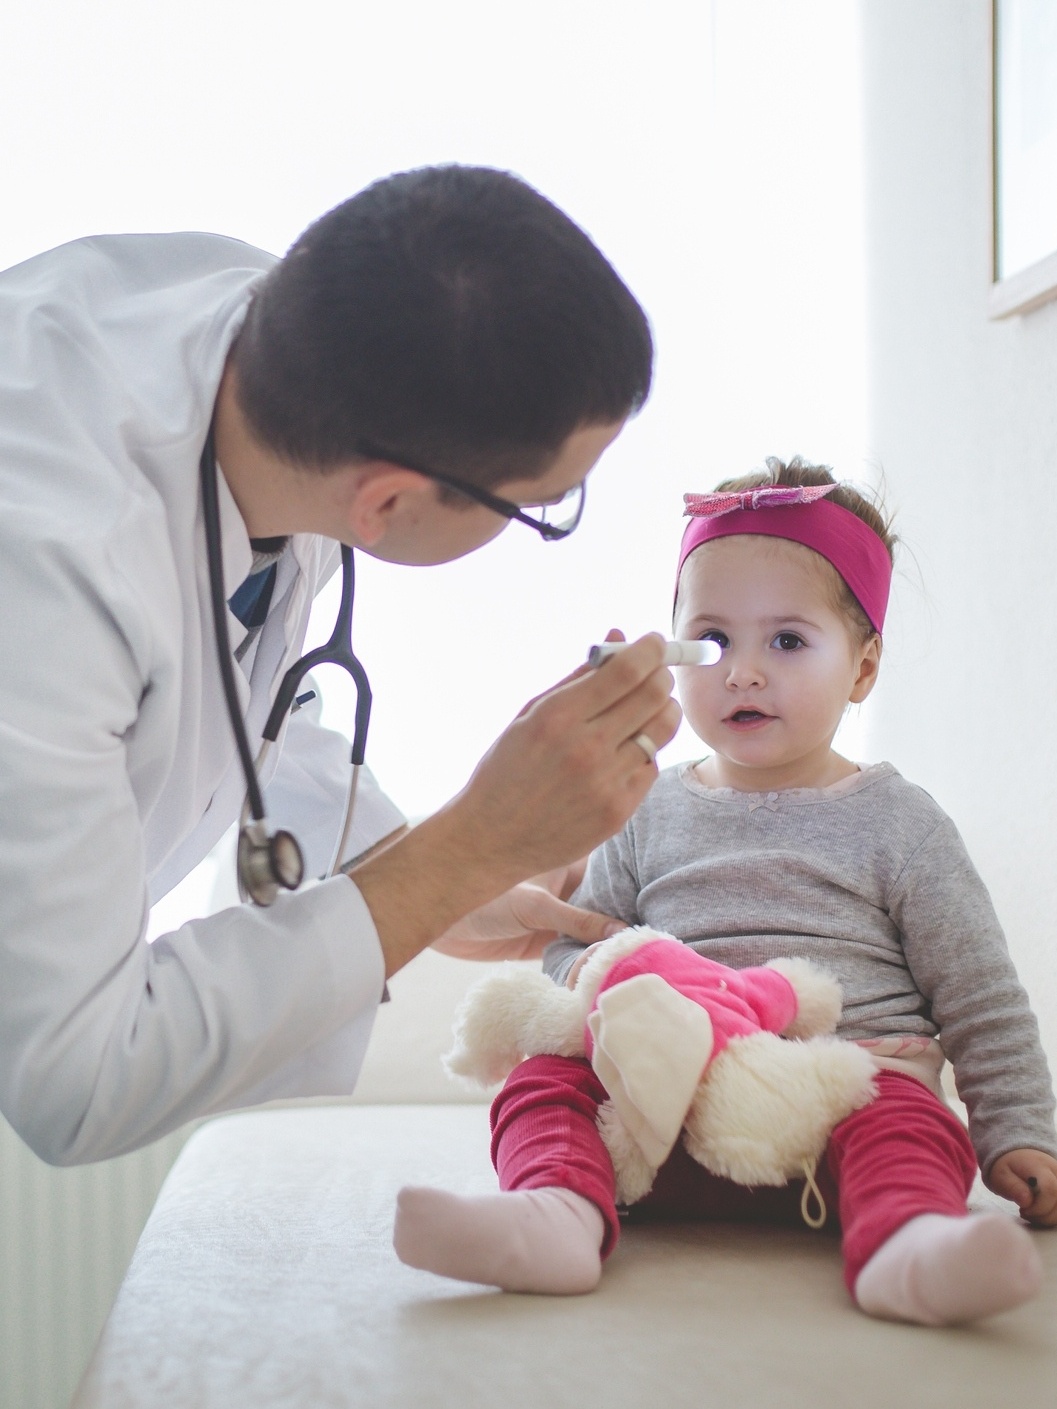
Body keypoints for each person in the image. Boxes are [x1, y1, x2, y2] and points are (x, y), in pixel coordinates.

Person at [0, 164, 682, 1166]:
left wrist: (426, 874)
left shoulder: (290, 354)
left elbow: (236, 681)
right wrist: (463, 850)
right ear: (385, 506)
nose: (549, 515)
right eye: (544, 502)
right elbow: (76, 1076)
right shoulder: (51, 578)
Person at [393, 457, 1057, 1327]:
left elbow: (978, 995)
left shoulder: (902, 823)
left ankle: (907, 1245)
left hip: (835, 1099)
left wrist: (1020, 1133)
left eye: (786, 640)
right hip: (662, 1107)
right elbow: (572, 946)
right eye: (711, 641)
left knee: (907, 1115)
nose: (741, 671)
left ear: (861, 667)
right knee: (545, 1076)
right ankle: (557, 1214)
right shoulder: (642, 803)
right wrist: (599, 971)